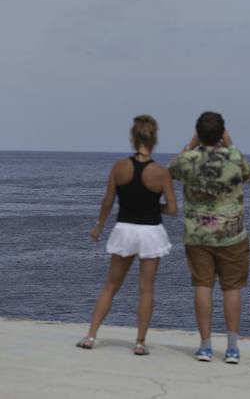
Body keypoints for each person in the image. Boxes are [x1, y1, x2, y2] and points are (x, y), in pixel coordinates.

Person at [77, 115, 177, 355]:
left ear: (133, 138)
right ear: (154, 140)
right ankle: (140, 343)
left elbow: (108, 201)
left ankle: (91, 336)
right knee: (146, 289)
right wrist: (155, 207)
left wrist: (99, 226)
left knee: (110, 286)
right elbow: (173, 209)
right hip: (151, 232)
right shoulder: (160, 172)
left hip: (124, 230)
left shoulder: (119, 167)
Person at [169, 111, 250, 364]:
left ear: (198, 133)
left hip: (198, 235)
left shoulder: (189, 159)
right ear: (222, 133)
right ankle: (231, 349)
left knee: (203, 286)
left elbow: (170, 170)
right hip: (232, 235)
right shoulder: (234, 158)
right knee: (232, 289)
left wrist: (190, 145)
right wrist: (231, 145)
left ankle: (205, 346)